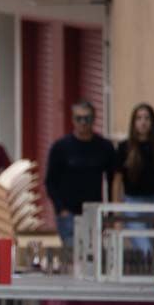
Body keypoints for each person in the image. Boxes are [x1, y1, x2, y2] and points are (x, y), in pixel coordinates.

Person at [45, 101, 116, 248]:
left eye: (87, 118)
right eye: (79, 118)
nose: (83, 123)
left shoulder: (104, 147)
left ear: (94, 119)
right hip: (69, 213)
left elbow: (113, 179)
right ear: (72, 120)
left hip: (94, 212)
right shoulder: (61, 147)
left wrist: (110, 211)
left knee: (94, 254)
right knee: (74, 254)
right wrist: (61, 209)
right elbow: (50, 181)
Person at [113, 103, 154, 256]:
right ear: (133, 122)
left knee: (150, 245)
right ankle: (150, 275)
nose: (143, 122)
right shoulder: (124, 147)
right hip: (132, 204)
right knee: (145, 248)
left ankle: (147, 276)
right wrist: (116, 211)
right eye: (139, 118)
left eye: (147, 118)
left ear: (153, 122)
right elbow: (117, 180)